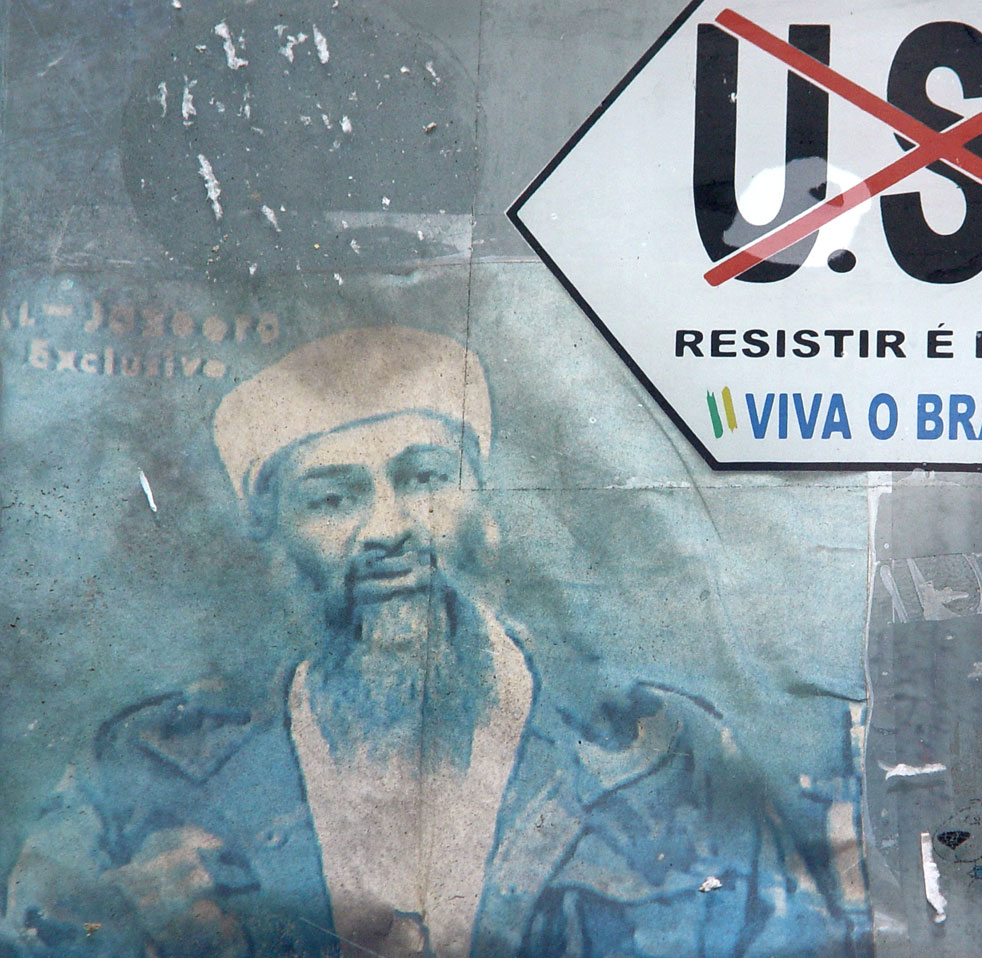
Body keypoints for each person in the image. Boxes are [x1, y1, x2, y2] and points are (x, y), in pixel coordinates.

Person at [2, 325, 871, 957]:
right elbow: (34, 929)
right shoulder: (150, 767)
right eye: (333, 498)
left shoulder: (658, 750)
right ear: (275, 544)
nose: (391, 529)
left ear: (484, 507)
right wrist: (106, 929)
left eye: (424, 480)